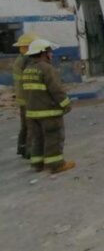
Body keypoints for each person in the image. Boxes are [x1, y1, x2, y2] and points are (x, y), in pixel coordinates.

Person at [22, 39, 75, 173]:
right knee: (53, 137)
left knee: (37, 139)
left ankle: (37, 164)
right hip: (48, 112)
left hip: (32, 112)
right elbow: (56, 89)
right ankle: (56, 165)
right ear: (43, 53)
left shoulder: (28, 69)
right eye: (49, 52)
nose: (51, 55)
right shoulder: (47, 68)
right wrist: (66, 104)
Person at [11, 32, 39, 159]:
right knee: (30, 126)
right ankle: (29, 151)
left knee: (25, 126)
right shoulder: (26, 61)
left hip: (22, 98)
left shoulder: (19, 60)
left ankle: (22, 148)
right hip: (28, 98)